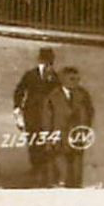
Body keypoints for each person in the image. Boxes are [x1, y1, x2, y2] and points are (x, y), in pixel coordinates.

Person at [13, 47, 61, 187]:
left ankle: (47, 169)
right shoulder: (30, 75)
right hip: (31, 113)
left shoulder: (55, 77)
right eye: (45, 61)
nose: (48, 65)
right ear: (40, 60)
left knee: (48, 140)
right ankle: (36, 167)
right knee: (33, 140)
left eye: (50, 62)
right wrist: (17, 109)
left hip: (48, 115)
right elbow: (19, 91)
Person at [41, 65, 94, 188]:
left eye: (77, 79)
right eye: (72, 79)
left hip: (77, 138)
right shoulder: (53, 97)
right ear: (63, 80)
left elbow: (90, 112)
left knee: (76, 172)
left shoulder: (83, 95)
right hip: (59, 139)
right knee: (61, 172)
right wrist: (49, 139)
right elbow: (47, 120)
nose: (76, 82)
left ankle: (75, 189)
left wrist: (85, 130)